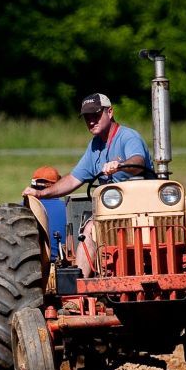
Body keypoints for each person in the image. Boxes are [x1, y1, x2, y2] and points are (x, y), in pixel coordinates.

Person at [23, 93, 152, 276]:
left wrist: (120, 165)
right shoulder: (95, 146)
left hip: (143, 209)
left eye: (96, 115)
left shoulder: (128, 137)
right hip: (112, 213)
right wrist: (41, 194)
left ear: (110, 112)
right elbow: (73, 179)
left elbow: (138, 162)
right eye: (87, 117)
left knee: (92, 227)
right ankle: (79, 292)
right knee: (89, 230)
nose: (91, 121)